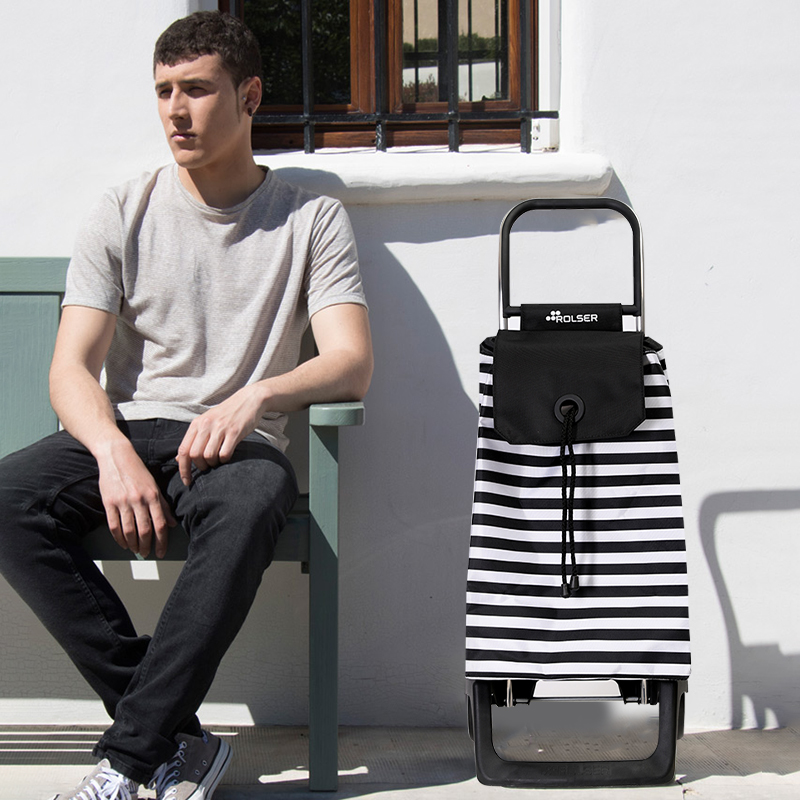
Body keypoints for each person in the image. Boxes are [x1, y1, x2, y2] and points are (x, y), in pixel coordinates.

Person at [0, 10, 372, 800]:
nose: (176, 110)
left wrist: (256, 395)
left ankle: (130, 760)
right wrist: (112, 452)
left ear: (249, 97)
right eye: (164, 91)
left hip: (237, 449)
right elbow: (70, 369)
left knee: (254, 500)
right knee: (6, 499)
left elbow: (350, 362)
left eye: (197, 90)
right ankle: (177, 741)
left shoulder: (310, 219)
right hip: (132, 432)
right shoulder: (123, 208)